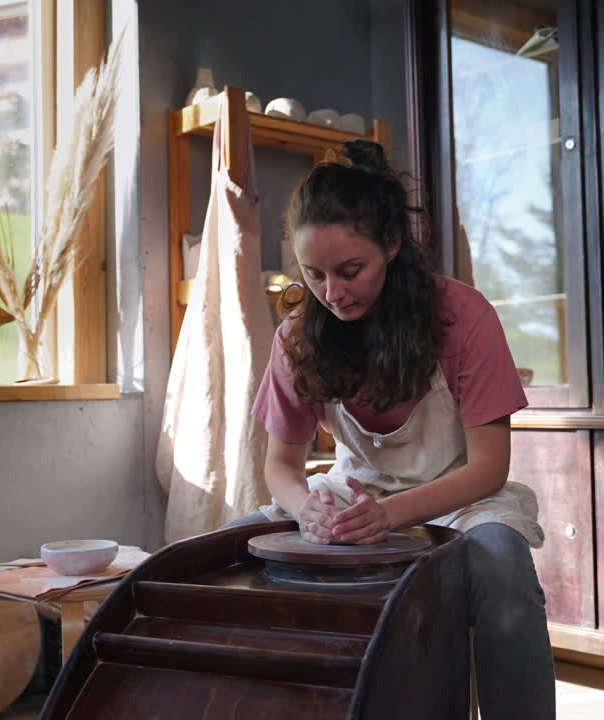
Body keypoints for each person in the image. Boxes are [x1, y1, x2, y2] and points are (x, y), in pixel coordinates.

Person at [235, 139, 555, 719]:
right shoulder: (299, 335)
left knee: (502, 564)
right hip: (354, 497)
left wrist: (391, 516)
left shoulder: (461, 315)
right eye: (314, 275)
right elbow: (281, 466)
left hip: (460, 497)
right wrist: (304, 506)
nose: (332, 293)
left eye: (350, 271)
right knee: (226, 550)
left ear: (390, 243)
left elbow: (489, 467)